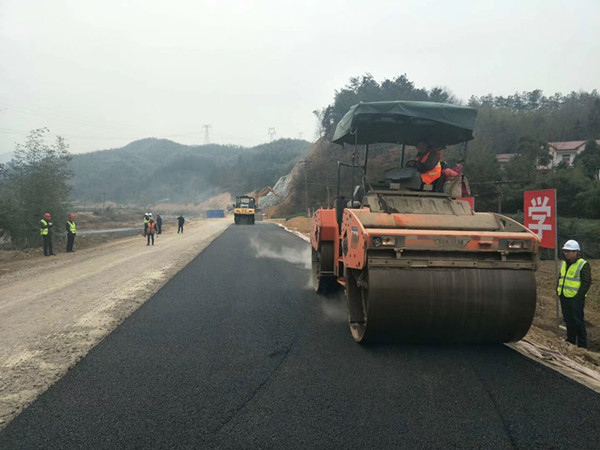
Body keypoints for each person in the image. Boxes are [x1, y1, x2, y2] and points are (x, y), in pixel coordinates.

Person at [557, 240, 592, 348]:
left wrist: (578, 297)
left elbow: (586, 282)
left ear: (576, 252)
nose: (566, 253)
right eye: (565, 251)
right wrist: (558, 289)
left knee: (577, 321)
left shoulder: (583, 264)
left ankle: (582, 345)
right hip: (564, 295)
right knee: (568, 320)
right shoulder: (564, 263)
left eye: (569, 251)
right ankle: (570, 340)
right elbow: (561, 277)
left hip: (575, 298)